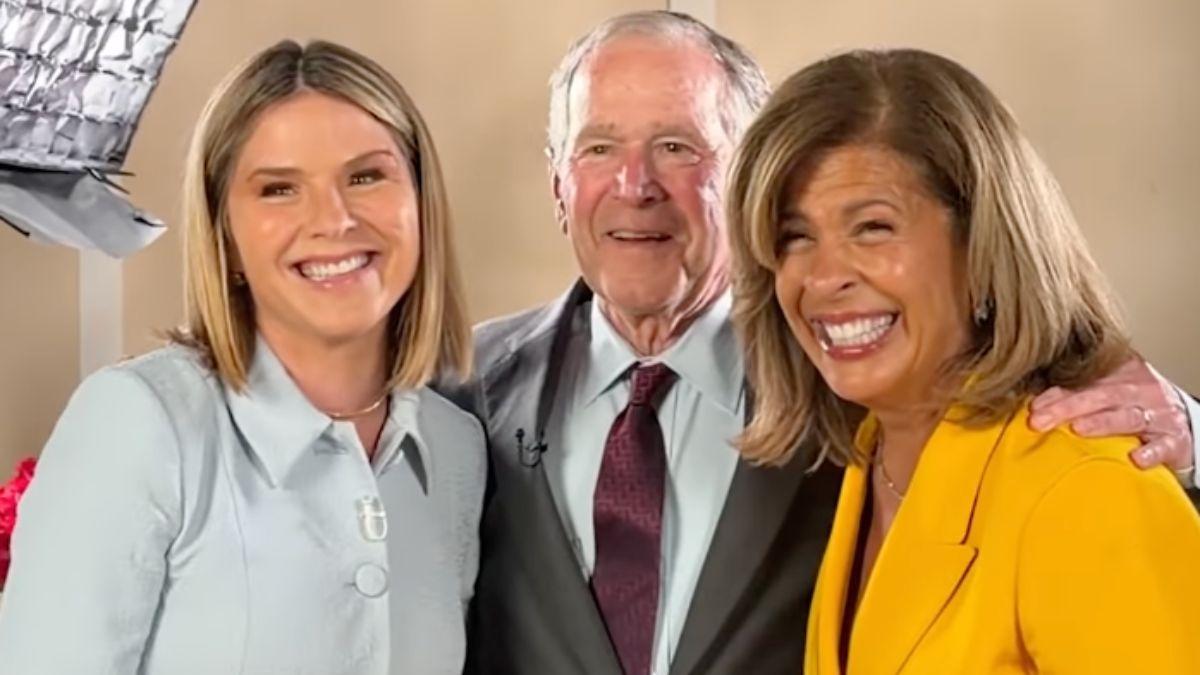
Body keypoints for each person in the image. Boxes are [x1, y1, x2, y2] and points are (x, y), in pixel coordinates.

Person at [445, 10, 1200, 675]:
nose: (636, 184)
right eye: (599, 148)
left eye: (677, 145)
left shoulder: (869, 404)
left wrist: (1190, 431)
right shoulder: (458, 397)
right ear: (557, 184)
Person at [0, 40, 484, 674]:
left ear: (421, 206)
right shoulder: (139, 423)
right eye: (279, 189)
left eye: (366, 176)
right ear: (224, 238)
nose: (333, 219)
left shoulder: (456, 450)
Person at [726, 48, 1200, 674]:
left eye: (871, 227)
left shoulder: (1086, 487)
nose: (823, 277)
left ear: (983, 247)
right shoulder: (869, 460)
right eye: (796, 237)